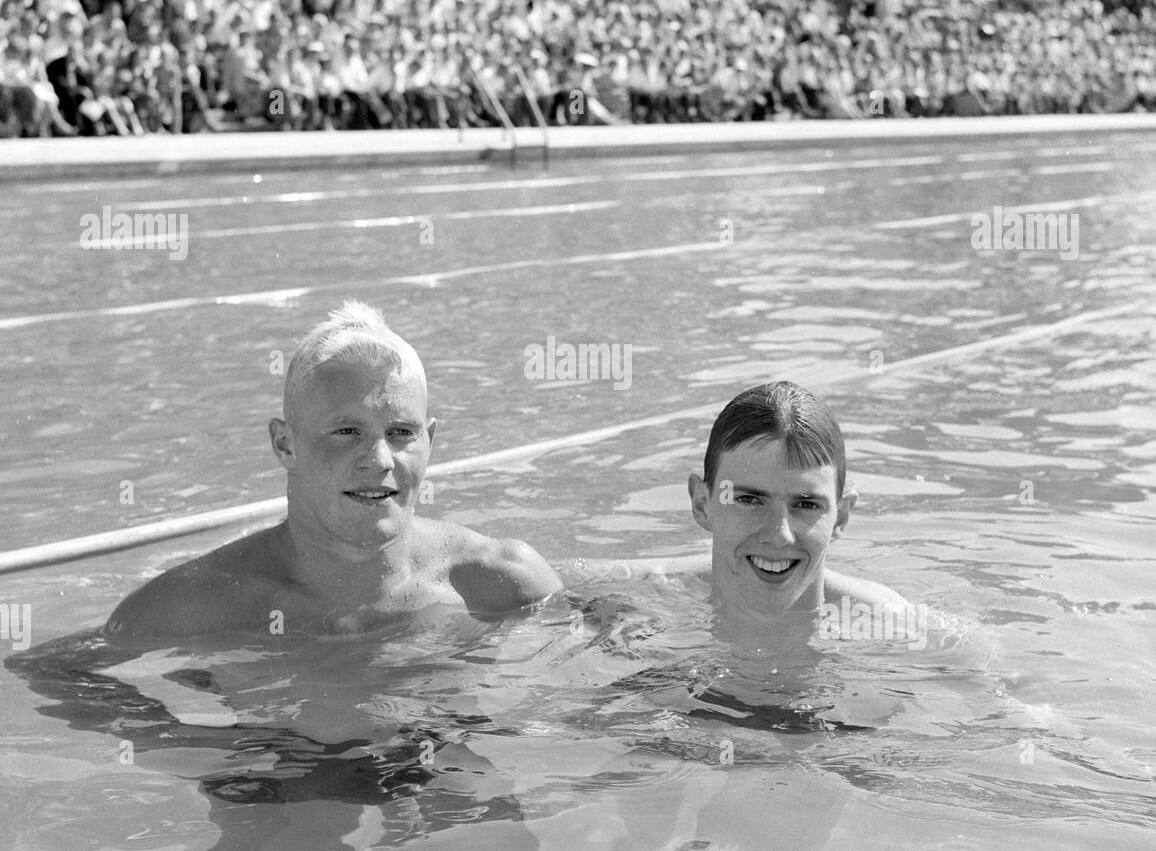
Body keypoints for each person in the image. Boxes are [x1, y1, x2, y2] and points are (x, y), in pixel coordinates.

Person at [106, 301, 562, 641]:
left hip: (449, 757)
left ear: (430, 441)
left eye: (402, 431)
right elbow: (60, 677)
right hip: (275, 766)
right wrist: (191, 744)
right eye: (346, 431)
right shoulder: (203, 605)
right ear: (285, 445)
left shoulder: (497, 580)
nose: (380, 459)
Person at [598, 382, 905, 630]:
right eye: (748, 500)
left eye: (807, 504)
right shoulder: (647, 595)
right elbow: (554, 590)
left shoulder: (890, 628)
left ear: (841, 517)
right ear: (703, 503)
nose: (778, 534)